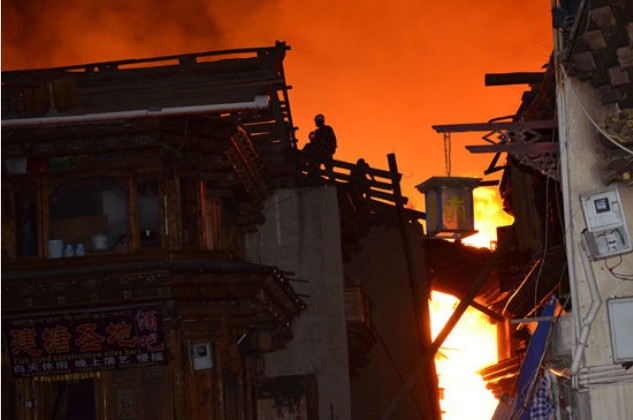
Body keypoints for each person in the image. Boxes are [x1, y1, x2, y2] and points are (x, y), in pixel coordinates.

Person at [302, 114, 337, 180]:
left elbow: (332, 141)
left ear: (319, 122)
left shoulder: (326, 130)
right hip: (320, 154)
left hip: (324, 153)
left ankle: (332, 182)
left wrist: (330, 149)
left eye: (316, 121)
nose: (315, 123)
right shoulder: (318, 132)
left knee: (328, 169)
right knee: (326, 169)